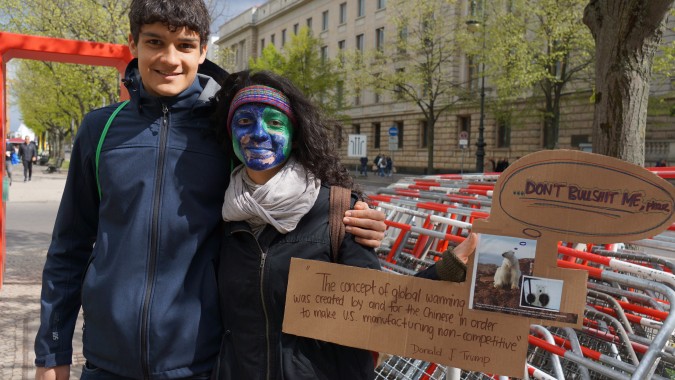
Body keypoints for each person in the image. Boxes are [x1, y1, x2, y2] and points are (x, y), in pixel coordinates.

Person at [34, 1, 385, 379]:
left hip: (202, 363)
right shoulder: (98, 130)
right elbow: (69, 248)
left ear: (203, 50)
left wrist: (354, 217)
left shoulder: (228, 132)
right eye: (155, 42)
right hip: (107, 361)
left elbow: (292, 193)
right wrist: (52, 352)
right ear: (133, 44)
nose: (170, 58)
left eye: (185, 45)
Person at [210, 70, 478, 380]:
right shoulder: (217, 214)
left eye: (274, 123)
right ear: (228, 132)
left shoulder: (339, 212)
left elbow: (378, 313)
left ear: (295, 135)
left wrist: (448, 271)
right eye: (244, 122)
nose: (258, 133)